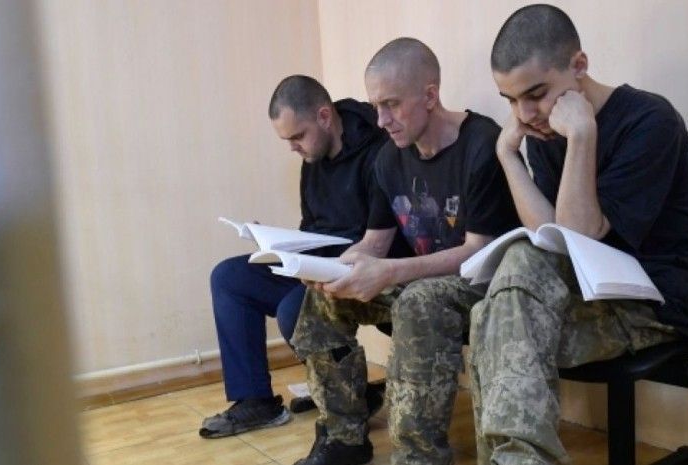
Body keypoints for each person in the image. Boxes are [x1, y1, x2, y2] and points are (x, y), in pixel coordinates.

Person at [468, 4, 688, 464]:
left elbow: (580, 236)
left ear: (579, 66)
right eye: (510, 100)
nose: (525, 113)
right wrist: (508, 156)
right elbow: (549, 237)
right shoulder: (543, 130)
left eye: (536, 93)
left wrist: (583, 135)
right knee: (491, 316)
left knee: (502, 320)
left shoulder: (651, 121)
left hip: (657, 304)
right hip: (589, 295)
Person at [289, 38, 518, 465]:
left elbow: (478, 251)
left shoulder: (481, 144)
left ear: (430, 95)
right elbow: (374, 243)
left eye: (391, 105)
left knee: (419, 300)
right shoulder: (389, 158)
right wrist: (332, 268)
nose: (381, 120)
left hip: (487, 284)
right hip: (425, 282)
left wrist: (391, 271)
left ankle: (419, 457)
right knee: (323, 298)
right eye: (376, 106)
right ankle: (344, 437)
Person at [201, 75, 398, 439]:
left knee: (294, 309)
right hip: (316, 264)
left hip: (360, 267)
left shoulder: (378, 151)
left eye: (297, 136)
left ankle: (349, 396)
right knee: (229, 278)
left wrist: (323, 265)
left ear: (324, 117)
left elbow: (379, 241)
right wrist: (276, 243)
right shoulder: (313, 156)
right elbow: (311, 227)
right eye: (287, 139)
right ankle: (255, 401)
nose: (293, 147)